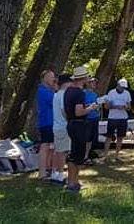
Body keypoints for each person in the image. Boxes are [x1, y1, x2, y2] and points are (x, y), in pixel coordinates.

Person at [64, 65, 100, 193]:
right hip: (79, 124)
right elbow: (79, 112)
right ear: (83, 78)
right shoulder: (79, 93)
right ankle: (73, 183)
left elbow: (68, 110)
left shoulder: (68, 91)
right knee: (77, 155)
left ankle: (73, 181)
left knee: (74, 153)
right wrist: (91, 108)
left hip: (71, 123)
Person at [103, 78, 131, 161]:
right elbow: (106, 106)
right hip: (112, 118)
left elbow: (129, 107)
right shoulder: (111, 93)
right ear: (118, 85)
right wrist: (115, 106)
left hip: (123, 118)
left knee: (120, 137)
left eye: (124, 87)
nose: (122, 88)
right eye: (121, 86)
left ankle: (117, 155)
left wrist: (126, 107)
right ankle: (105, 155)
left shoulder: (127, 93)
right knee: (109, 137)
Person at [36, 70, 56, 181]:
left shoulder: (50, 90)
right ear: (45, 78)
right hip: (46, 122)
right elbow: (54, 101)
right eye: (51, 77)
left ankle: (49, 168)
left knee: (51, 147)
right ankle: (42, 172)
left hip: (52, 122)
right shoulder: (42, 91)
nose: (53, 79)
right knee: (45, 146)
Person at [51, 74, 71, 184]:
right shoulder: (63, 95)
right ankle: (60, 174)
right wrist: (71, 118)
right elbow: (64, 111)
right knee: (62, 152)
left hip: (57, 126)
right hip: (63, 126)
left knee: (58, 150)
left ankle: (55, 173)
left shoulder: (56, 94)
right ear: (66, 83)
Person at [83, 77, 101, 164]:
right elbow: (81, 106)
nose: (94, 84)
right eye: (92, 82)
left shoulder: (95, 94)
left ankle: (88, 155)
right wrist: (90, 106)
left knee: (91, 139)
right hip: (87, 118)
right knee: (86, 138)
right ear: (88, 83)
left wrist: (97, 107)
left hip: (95, 118)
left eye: (95, 83)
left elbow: (97, 105)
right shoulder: (83, 93)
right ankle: (84, 156)